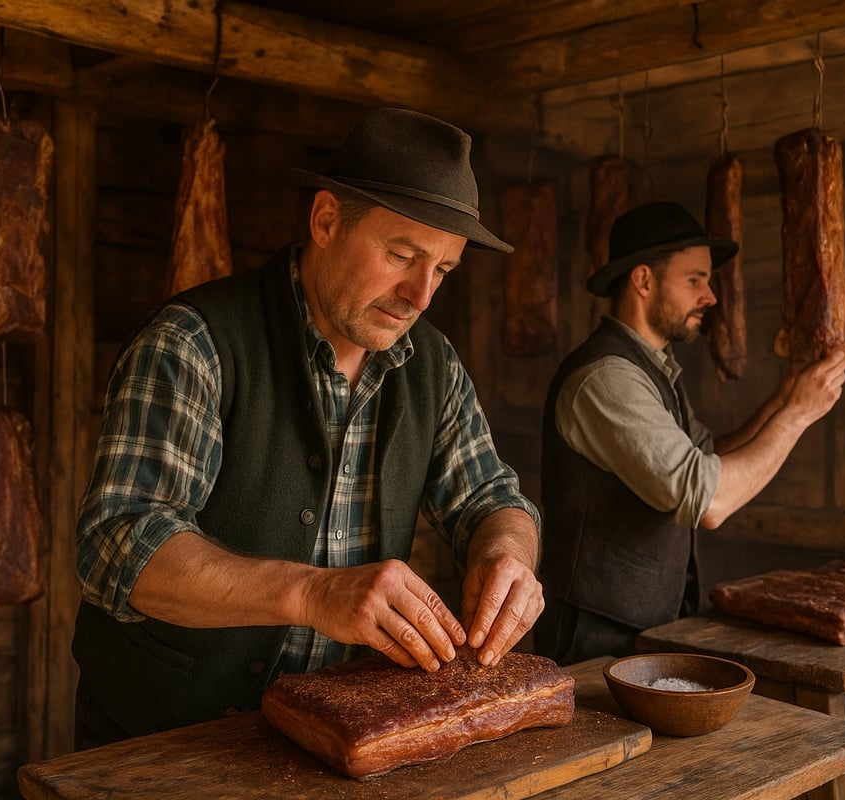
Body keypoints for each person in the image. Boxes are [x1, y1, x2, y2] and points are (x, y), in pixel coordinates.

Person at [71, 107, 544, 747]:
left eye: (443, 269)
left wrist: (507, 555)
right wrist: (312, 595)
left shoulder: (433, 364)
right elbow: (120, 542)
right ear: (325, 220)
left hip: (344, 738)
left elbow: (492, 499)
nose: (421, 295)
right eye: (401, 254)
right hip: (173, 741)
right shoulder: (193, 344)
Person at [533, 201, 845, 665]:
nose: (711, 296)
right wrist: (798, 415)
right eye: (694, 280)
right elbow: (709, 500)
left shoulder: (651, 369)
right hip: (593, 639)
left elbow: (705, 457)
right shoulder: (606, 378)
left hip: (643, 629)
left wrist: (785, 398)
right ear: (643, 280)